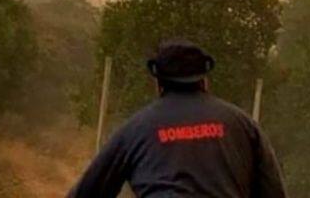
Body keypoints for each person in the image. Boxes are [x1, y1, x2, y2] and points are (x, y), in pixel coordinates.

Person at [66, 40, 287, 197]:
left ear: (158, 83)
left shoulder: (134, 129)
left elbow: (87, 192)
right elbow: (273, 192)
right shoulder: (244, 125)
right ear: (204, 80)